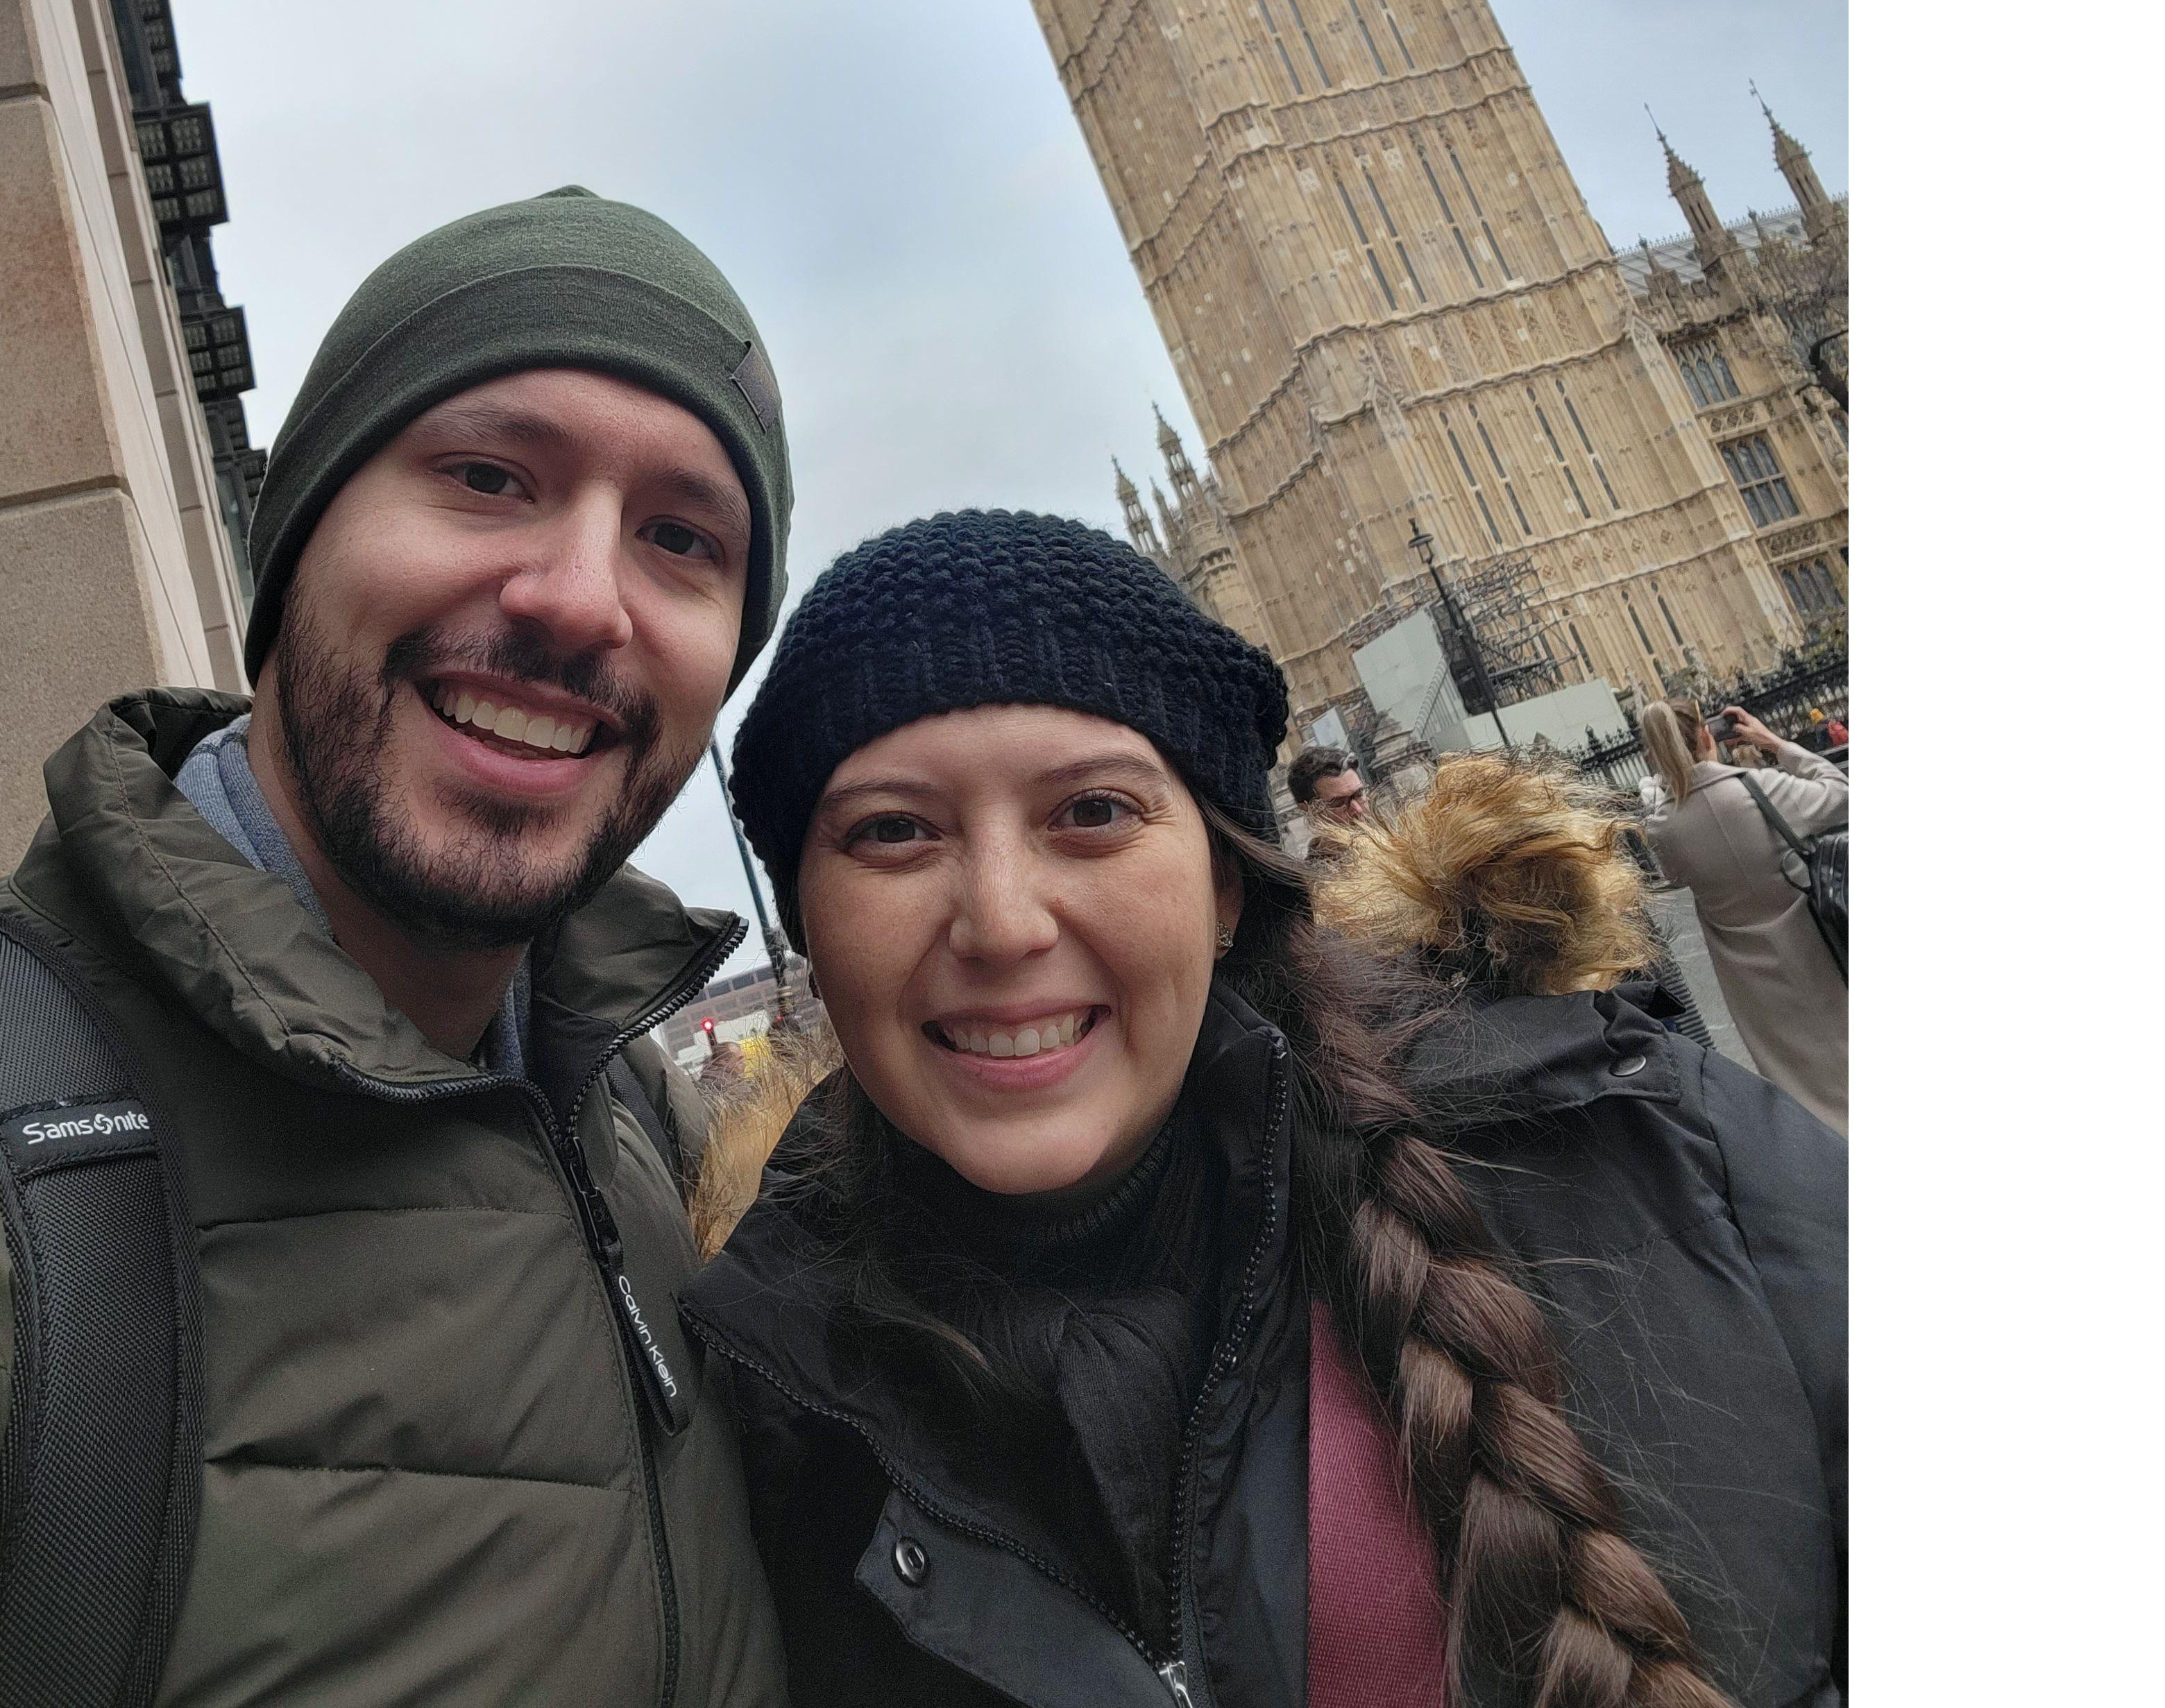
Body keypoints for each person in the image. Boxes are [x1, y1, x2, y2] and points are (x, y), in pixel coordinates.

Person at [686, 512, 1845, 1708]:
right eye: (893, 830)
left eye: (1090, 810)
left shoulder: (1654, 1158)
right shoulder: (749, 1428)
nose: (1001, 920)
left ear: (1225, 881)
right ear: (810, 933)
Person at [0, 189, 793, 1707]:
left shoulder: (638, 1126)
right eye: (485, 476)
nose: (579, 598)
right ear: (293, 543)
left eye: (681, 539)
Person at [1638, 699, 1848, 1137]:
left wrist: (1658, 796)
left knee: (1795, 1077)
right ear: (1708, 735)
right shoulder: (1757, 788)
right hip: (1813, 944)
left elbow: (1671, 872)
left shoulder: (1665, 827)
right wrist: (1774, 743)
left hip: (1748, 975)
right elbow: (1840, 792)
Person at [1287, 742, 1368, 848]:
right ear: (1309, 811)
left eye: (1359, 795)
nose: (1358, 810)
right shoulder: (1318, 864)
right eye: (1339, 803)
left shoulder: (1392, 841)